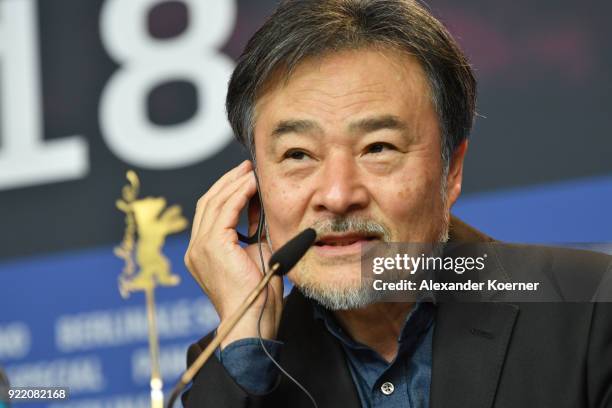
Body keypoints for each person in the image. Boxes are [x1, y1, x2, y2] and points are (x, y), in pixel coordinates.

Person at [182, 0, 612, 407]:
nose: (337, 195)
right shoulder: (237, 367)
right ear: (254, 190)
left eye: (378, 148)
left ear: (451, 170)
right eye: (298, 155)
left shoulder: (591, 309)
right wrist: (245, 336)